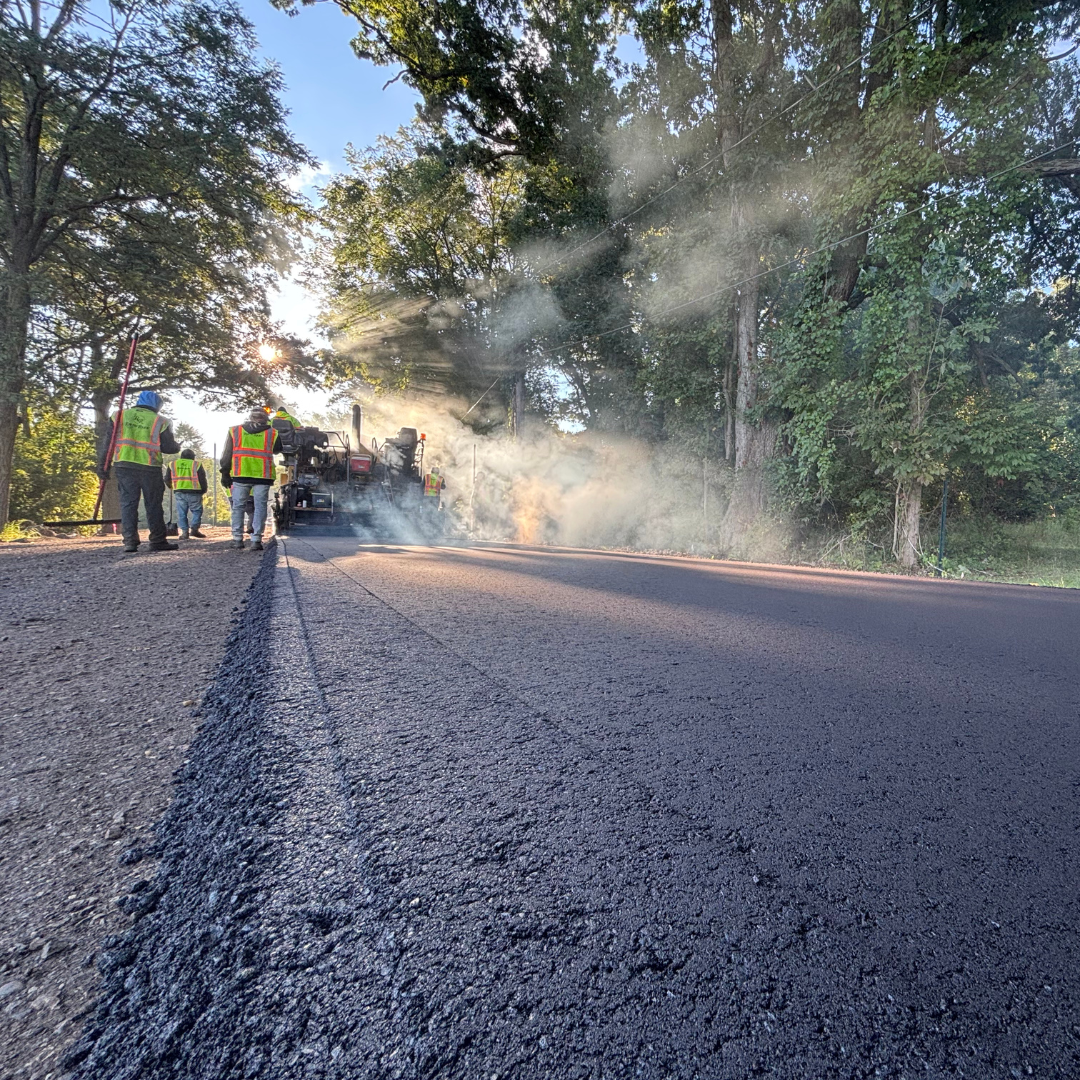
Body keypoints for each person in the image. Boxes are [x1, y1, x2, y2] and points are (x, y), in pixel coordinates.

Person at [98, 390, 181, 553]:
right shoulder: (161, 421)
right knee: (153, 504)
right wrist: (177, 446)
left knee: (128, 503)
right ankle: (157, 540)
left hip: (124, 465)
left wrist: (103, 466)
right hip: (149, 467)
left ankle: (130, 541)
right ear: (157, 406)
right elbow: (168, 447)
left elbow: (108, 442)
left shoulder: (119, 416)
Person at [219, 407, 283, 551]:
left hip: (240, 474)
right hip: (263, 476)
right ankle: (256, 540)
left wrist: (225, 473)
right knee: (260, 507)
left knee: (238, 507)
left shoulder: (235, 431)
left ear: (250, 417)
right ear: (266, 419)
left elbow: (226, 454)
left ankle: (237, 539)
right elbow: (278, 449)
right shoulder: (272, 433)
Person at [165, 448, 208, 540]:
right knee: (197, 511)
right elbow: (202, 479)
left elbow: (167, 479)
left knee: (182, 513)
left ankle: (185, 533)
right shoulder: (197, 464)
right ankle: (194, 529)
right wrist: (203, 490)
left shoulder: (172, 464)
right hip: (195, 492)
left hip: (179, 492)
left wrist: (171, 486)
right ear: (192, 457)